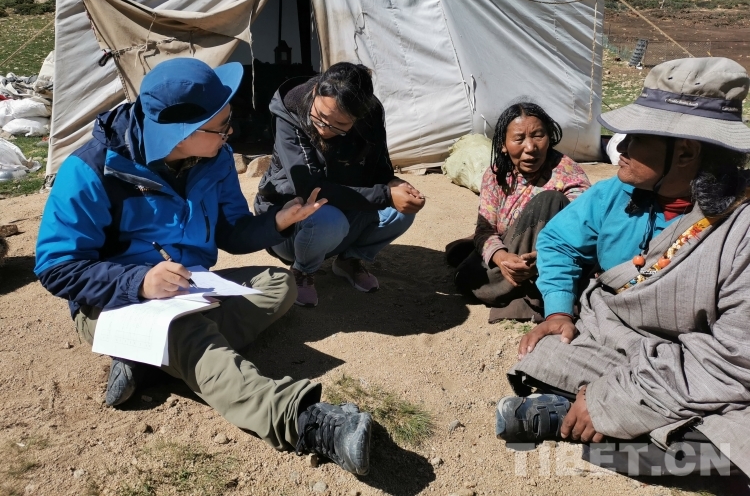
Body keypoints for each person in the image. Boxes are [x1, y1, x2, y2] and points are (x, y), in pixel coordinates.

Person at [34, 58, 373, 476]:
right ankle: (302, 422)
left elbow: (231, 233)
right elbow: (57, 267)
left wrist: (277, 222)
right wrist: (140, 281)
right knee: (188, 331)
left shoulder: (215, 158)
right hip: (112, 302)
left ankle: (149, 361)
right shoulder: (90, 169)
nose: (231, 132)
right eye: (221, 126)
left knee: (278, 285)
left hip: (189, 289)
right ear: (181, 133)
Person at [496, 57, 750, 479]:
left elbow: (735, 359)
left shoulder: (740, 230)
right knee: (549, 353)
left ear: (686, 152)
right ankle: (609, 422)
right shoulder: (615, 192)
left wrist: (616, 399)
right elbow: (559, 242)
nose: (621, 147)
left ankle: (588, 421)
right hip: (620, 341)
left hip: (704, 366)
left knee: (729, 446)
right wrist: (558, 310)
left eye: (637, 137)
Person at [255, 62, 425, 307]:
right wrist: (386, 195)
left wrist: (396, 184)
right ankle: (302, 271)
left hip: (341, 211)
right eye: (321, 116)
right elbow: (309, 188)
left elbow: (380, 169)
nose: (324, 129)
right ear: (315, 91)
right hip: (289, 226)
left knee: (402, 211)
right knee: (328, 218)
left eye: (340, 125)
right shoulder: (291, 112)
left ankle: (349, 260)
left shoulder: (370, 113)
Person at [448, 102, 590, 322]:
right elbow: (485, 230)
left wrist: (544, 258)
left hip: (553, 259)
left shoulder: (567, 172)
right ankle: (523, 288)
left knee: (550, 200)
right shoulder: (496, 175)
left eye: (538, 136)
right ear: (503, 145)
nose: (530, 147)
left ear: (550, 138)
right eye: (519, 139)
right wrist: (502, 259)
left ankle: (540, 291)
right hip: (509, 253)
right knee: (467, 276)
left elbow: (585, 228)